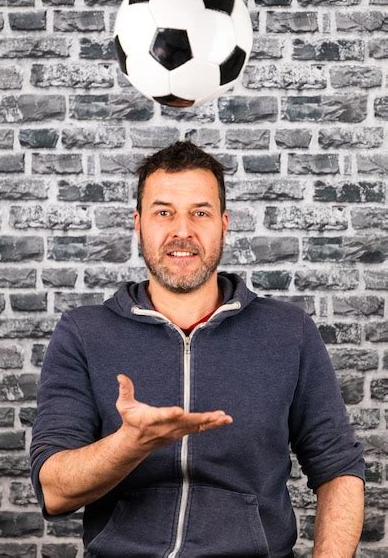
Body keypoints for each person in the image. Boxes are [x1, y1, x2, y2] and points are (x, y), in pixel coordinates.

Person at [30, 140, 365, 558]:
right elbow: (55, 491)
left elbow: (339, 469)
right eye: (164, 212)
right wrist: (131, 443)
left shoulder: (288, 331)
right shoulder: (83, 332)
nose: (182, 231)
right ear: (138, 223)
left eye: (200, 213)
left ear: (225, 223)